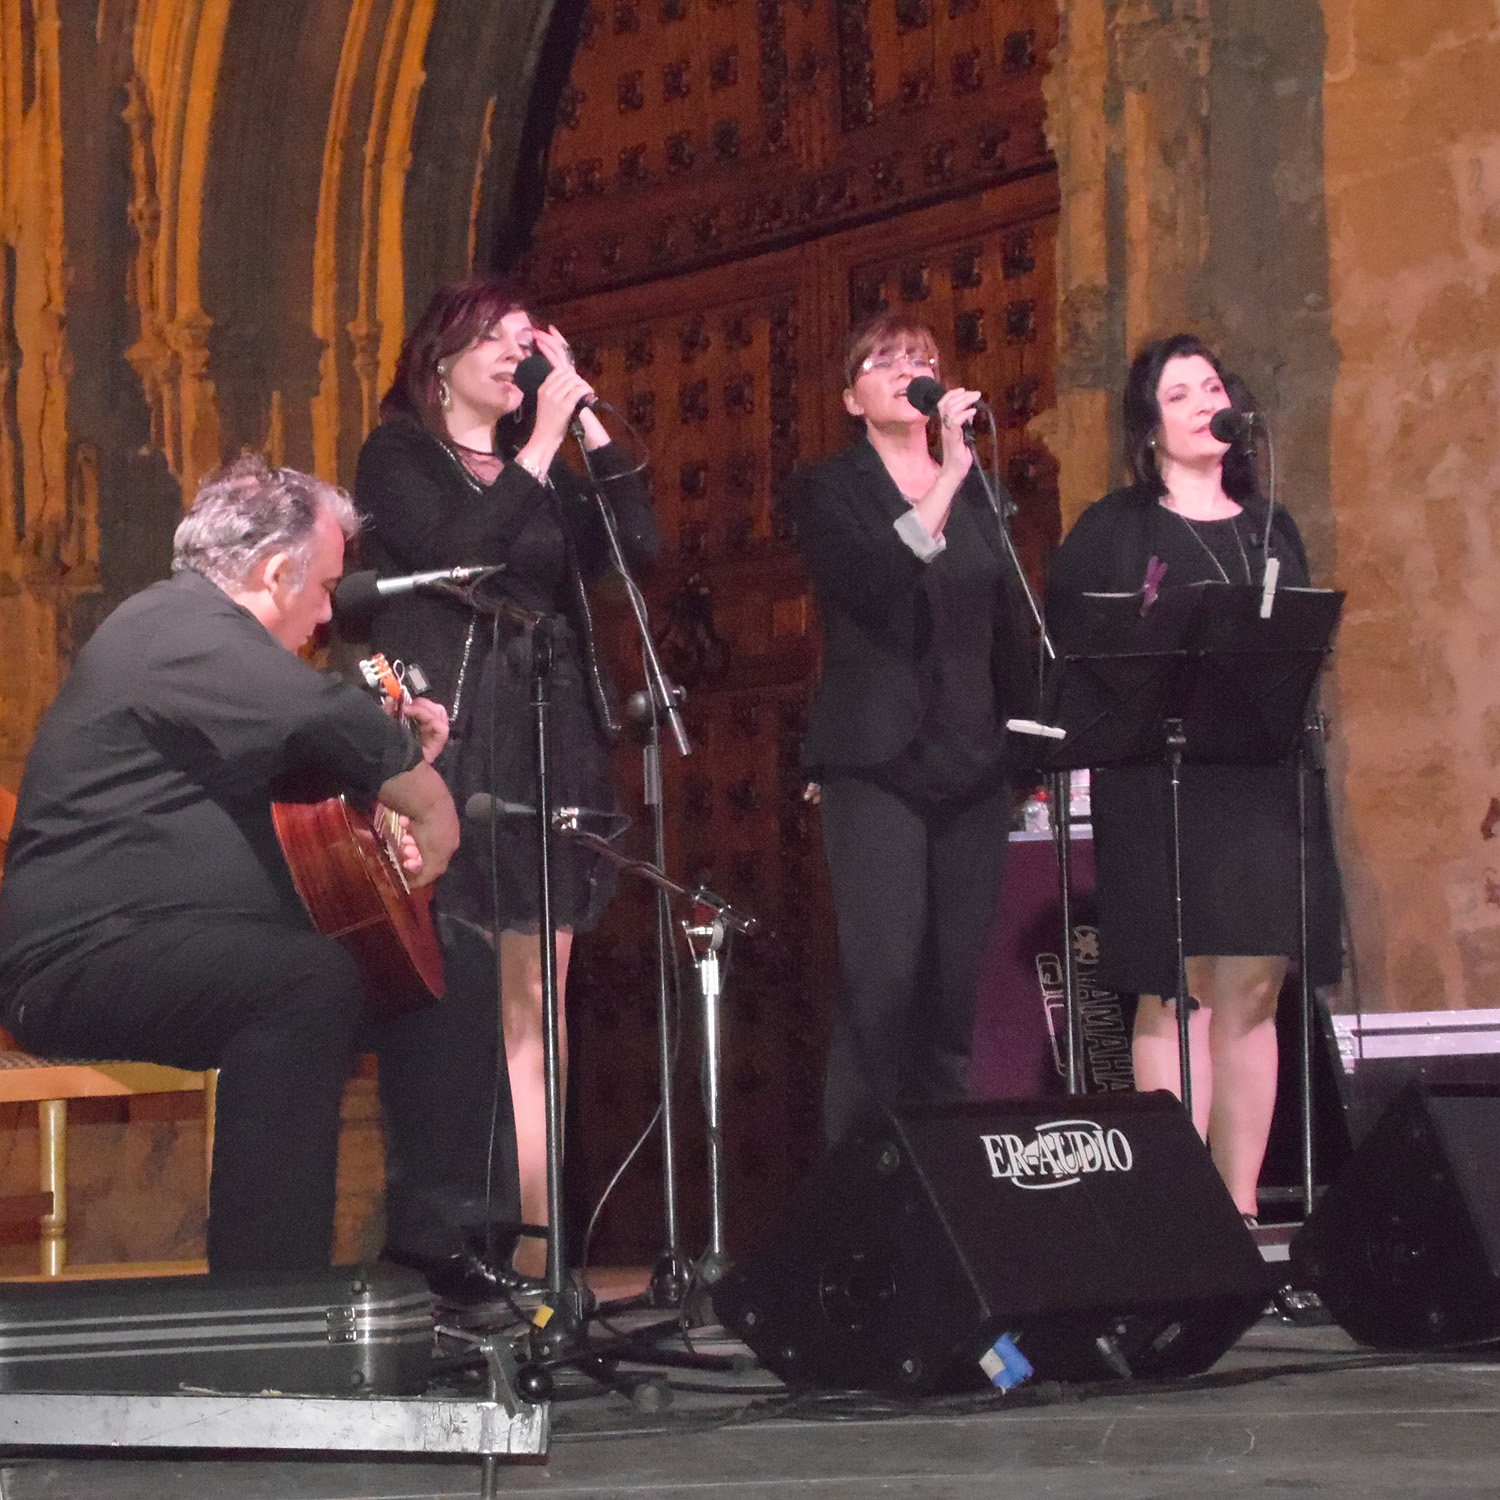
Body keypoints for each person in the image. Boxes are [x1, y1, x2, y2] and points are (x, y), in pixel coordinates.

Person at [0, 457, 460, 1277]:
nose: (328, 615)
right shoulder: (172, 626)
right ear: (277, 572)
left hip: (176, 947)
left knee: (448, 969)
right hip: (79, 960)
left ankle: (445, 1255)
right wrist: (426, 798)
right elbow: (314, 712)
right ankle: (266, 1298)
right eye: (325, 588)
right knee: (303, 984)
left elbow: (308, 764)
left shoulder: (215, 660)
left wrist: (387, 769)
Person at [354, 277, 659, 1279]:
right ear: (440, 360)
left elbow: (639, 547)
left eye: (529, 340)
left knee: (539, 1004)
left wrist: (587, 422)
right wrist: (538, 446)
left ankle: (537, 1250)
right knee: (465, 1000)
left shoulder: (550, 470)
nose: (515, 354)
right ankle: (460, 1240)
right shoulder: (399, 455)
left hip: (547, 723)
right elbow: (461, 554)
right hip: (455, 734)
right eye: (495, 337)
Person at [1044, 332, 1342, 1217]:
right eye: (1179, 394)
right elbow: (1076, 650)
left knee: (1252, 991)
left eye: (1211, 386)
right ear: (1149, 430)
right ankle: (1181, 1214)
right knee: (1181, 994)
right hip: (1160, 777)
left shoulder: (1269, 526)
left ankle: (1240, 1208)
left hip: (1257, 782)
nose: (1205, 402)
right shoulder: (1114, 529)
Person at [790, 313, 1034, 1147]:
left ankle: (942, 1184)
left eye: (921, 358)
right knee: (883, 984)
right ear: (851, 399)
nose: (907, 370)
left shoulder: (984, 494)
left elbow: (1010, 621)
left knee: (951, 995)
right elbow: (873, 583)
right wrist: (947, 478)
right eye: (884, 361)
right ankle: (860, 1189)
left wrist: (1028, 746)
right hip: (877, 764)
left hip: (974, 762)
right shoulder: (830, 490)